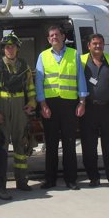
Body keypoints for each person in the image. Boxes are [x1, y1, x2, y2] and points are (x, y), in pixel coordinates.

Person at [36, 25, 88, 190]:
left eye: (56, 35)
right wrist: (42, 104)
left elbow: (80, 78)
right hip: (50, 104)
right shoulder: (43, 56)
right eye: (51, 36)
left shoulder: (74, 54)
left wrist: (82, 102)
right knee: (50, 144)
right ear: (48, 39)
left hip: (69, 103)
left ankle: (70, 179)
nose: (54, 38)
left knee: (69, 142)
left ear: (63, 37)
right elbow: (39, 81)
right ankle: (50, 179)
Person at [0, 32, 36, 191]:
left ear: (17, 48)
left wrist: (32, 103)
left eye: (13, 46)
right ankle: (0, 184)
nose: (10, 49)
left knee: (21, 145)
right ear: (3, 49)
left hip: (20, 107)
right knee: (2, 146)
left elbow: (30, 88)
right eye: (7, 47)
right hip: (2, 107)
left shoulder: (24, 66)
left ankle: (22, 181)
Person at [80, 33, 109, 187]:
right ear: (89, 46)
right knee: (89, 146)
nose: (97, 46)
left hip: (107, 108)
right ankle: (94, 177)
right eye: (94, 43)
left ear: (104, 45)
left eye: (100, 43)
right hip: (89, 108)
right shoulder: (81, 60)